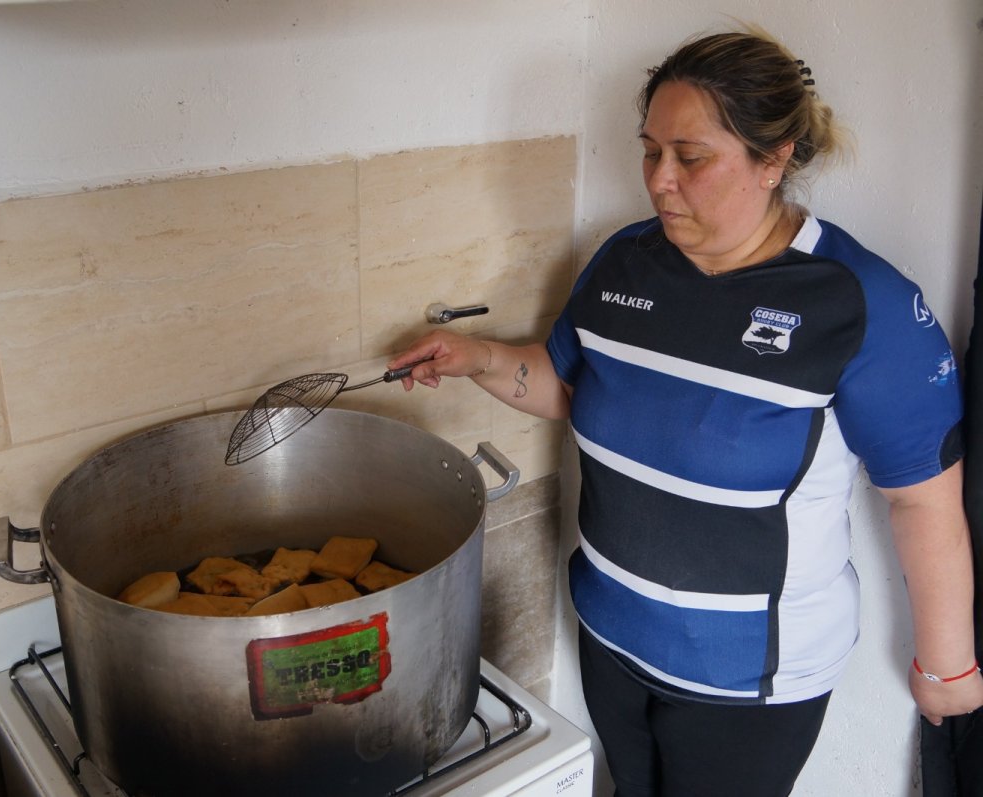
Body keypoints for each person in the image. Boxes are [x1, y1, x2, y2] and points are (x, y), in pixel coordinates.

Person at [387, 27, 983, 797]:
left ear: (774, 160)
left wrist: (947, 665)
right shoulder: (624, 261)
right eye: (650, 152)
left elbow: (921, 500)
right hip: (610, 635)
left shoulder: (858, 303)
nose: (659, 181)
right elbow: (566, 384)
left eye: (690, 157)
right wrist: (477, 357)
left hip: (749, 679)